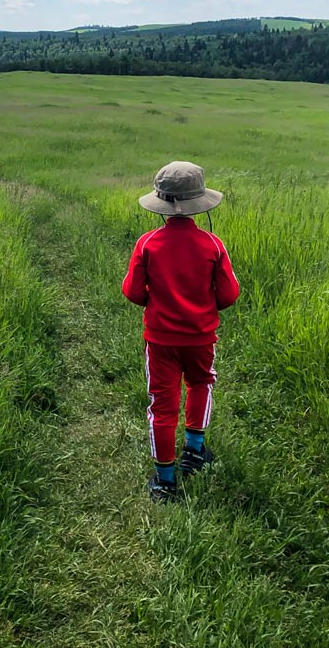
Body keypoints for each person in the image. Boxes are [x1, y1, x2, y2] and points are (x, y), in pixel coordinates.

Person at [122, 161, 240, 503]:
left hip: (160, 340)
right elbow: (229, 295)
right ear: (199, 202)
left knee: (162, 405)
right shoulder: (212, 245)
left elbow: (133, 292)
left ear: (162, 204)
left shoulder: (147, 244)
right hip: (201, 338)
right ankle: (194, 451)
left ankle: (165, 481)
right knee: (201, 383)